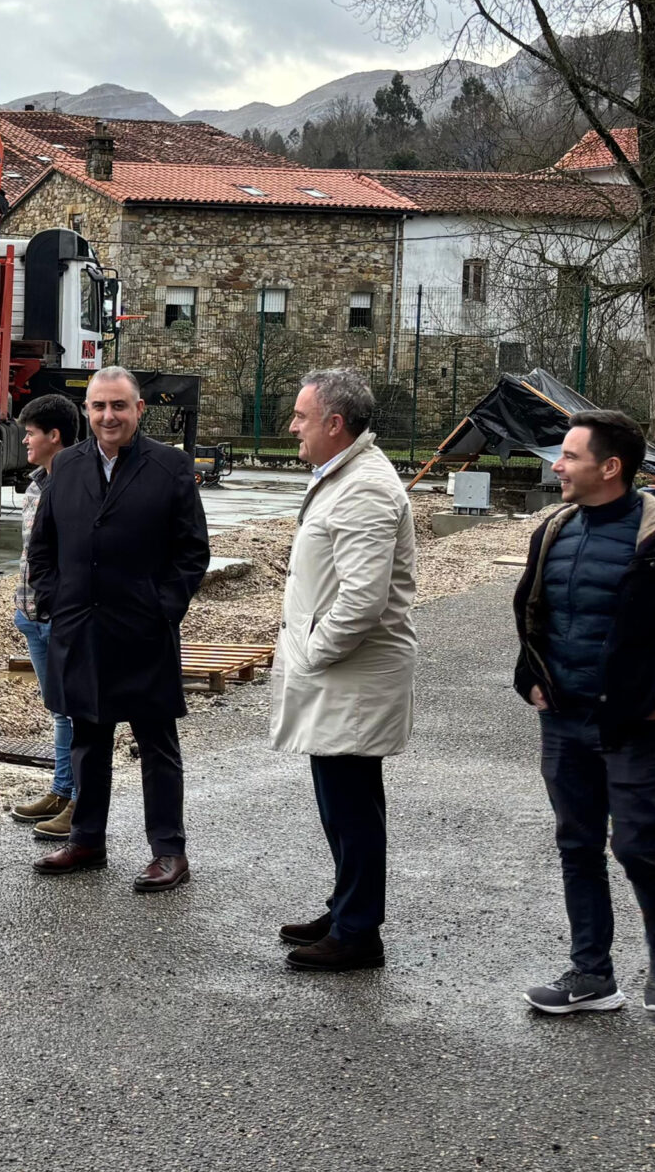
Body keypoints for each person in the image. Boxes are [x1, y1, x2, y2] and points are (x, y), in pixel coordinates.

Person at [513, 409, 655, 1016]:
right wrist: (530, 676)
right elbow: (537, 612)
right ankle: (592, 976)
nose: (557, 465)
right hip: (563, 719)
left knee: (637, 844)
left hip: (636, 726)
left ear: (610, 468)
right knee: (578, 844)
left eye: (570, 456)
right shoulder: (553, 530)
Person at [26, 366, 210, 890]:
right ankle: (86, 840)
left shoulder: (170, 466)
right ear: (88, 412)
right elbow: (43, 547)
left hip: (144, 630)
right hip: (80, 629)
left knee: (156, 742)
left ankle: (169, 851)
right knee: (88, 737)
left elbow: (193, 551)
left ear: (138, 410)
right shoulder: (66, 467)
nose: (109, 416)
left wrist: (163, 607)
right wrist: (55, 603)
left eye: (119, 406)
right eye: (99, 407)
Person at [270, 369, 417, 972]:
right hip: (339, 673)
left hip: (351, 674)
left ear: (335, 424)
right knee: (340, 801)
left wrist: (312, 652)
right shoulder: (345, 475)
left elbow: (362, 600)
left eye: (301, 417)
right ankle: (347, 905)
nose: (292, 427)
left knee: (353, 805)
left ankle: (358, 932)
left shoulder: (365, 488)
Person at [6, 394, 84, 839]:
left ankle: (78, 802)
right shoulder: (37, 484)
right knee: (58, 710)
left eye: (31, 433)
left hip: (60, 618)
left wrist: (58, 609)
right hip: (33, 616)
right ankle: (60, 789)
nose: (25, 441)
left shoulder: (77, 486)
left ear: (54, 436)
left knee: (75, 712)